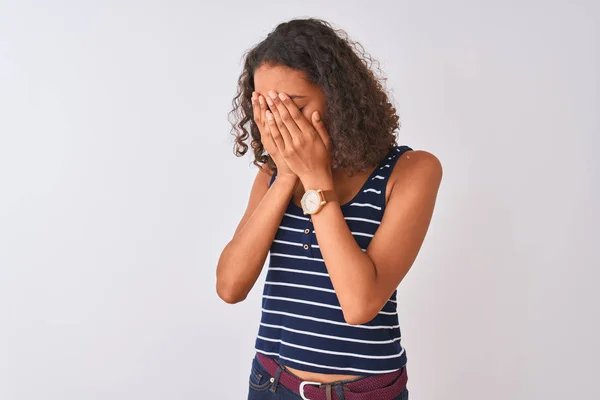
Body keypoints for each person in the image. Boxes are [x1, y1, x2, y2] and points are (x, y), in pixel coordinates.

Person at [217, 17, 442, 400]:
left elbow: (359, 305)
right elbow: (229, 286)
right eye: (265, 106)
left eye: (292, 105)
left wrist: (317, 181)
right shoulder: (272, 176)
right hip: (271, 384)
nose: (278, 120)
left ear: (337, 97)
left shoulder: (411, 172)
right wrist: (287, 175)